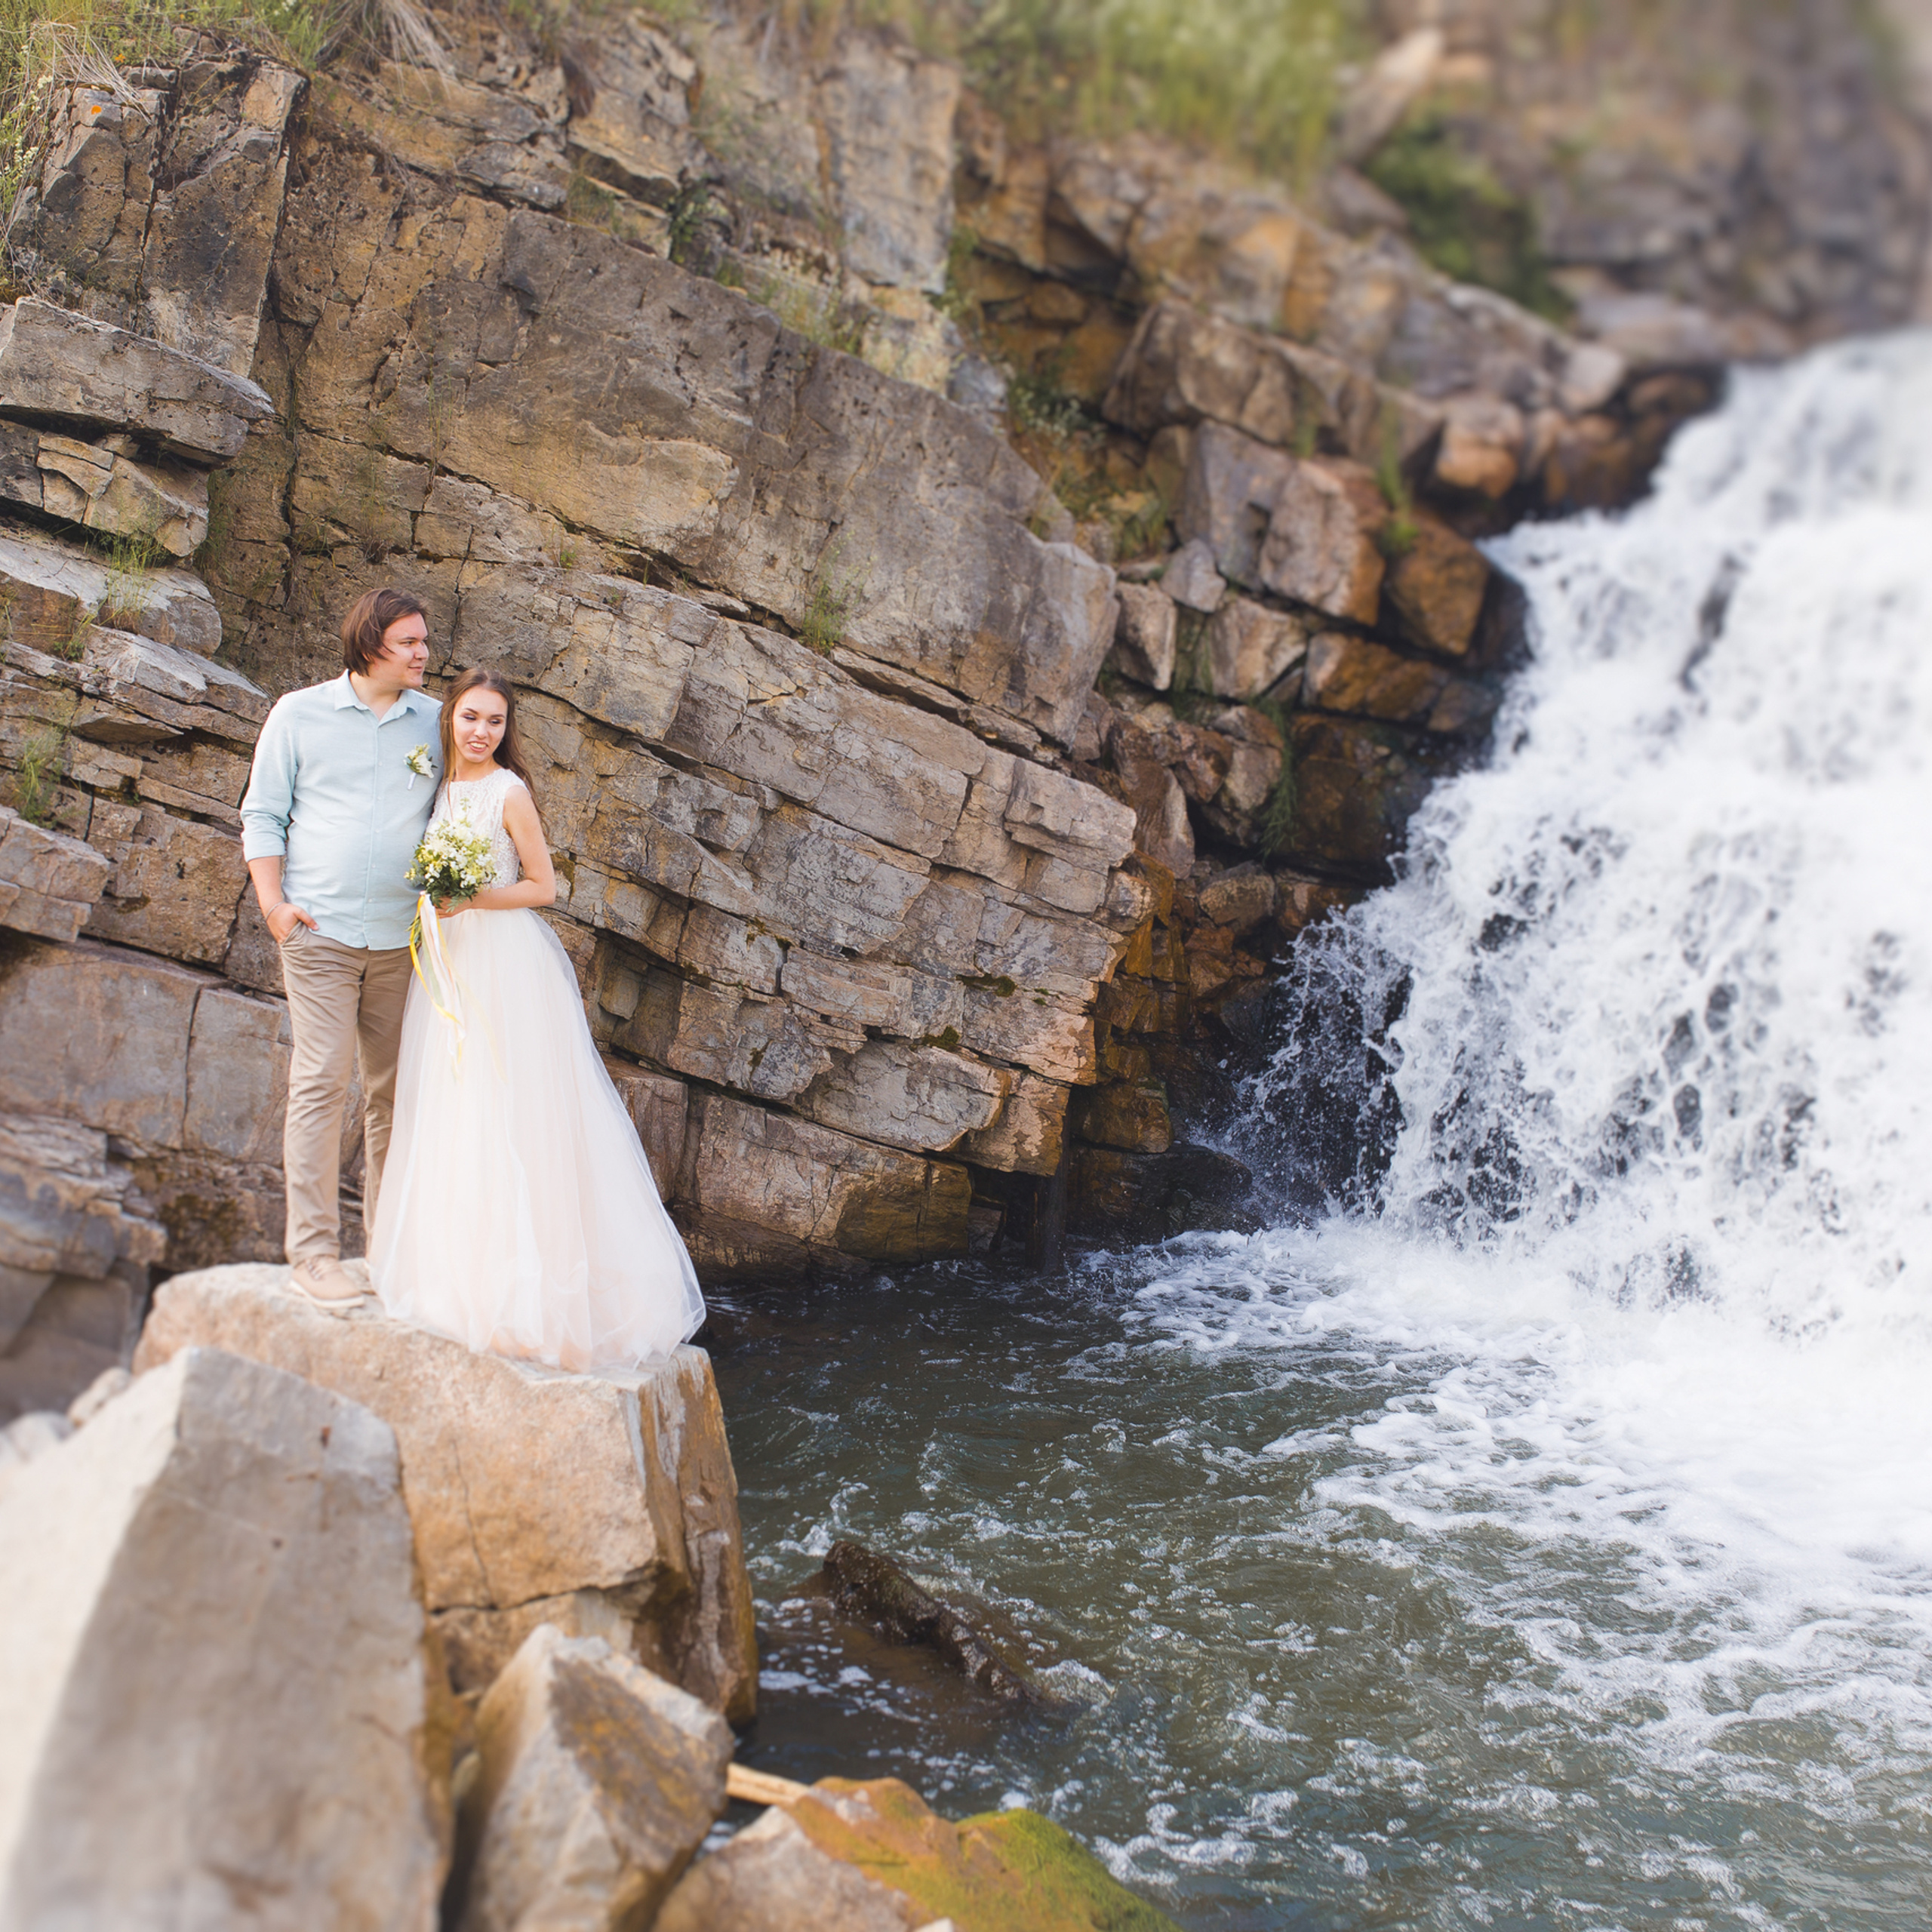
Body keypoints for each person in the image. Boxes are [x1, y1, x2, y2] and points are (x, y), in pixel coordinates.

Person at [369, 666, 704, 1370]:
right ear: (450, 718)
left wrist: (471, 899)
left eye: (494, 721)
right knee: (454, 1108)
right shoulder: (438, 786)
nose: (481, 731)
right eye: (470, 718)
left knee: (511, 1108)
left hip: (504, 964)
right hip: (449, 962)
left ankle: (531, 1297)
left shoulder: (508, 792)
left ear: (506, 728)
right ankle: (457, 1279)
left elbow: (543, 887)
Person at [240, 588, 443, 1312]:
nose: (425, 654)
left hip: (402, 940)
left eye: (425, 642)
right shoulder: (299, 713)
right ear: (370, 644)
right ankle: (314, 1255)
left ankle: (385, 1252)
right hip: (318, 934)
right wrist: (274, 907)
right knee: (322, 1084)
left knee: (394, 1095)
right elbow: (262, 812)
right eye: (412, 642)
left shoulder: (437, 722)